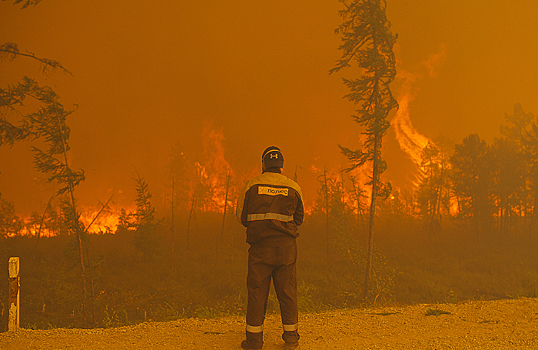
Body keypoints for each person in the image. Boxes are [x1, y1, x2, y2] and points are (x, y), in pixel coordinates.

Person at [236, 146, 305, 350]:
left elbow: (242, 216)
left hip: (260, 249)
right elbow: (299, 218)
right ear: (281, 166)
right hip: (286, 249)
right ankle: (291, 340)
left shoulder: (252, 185)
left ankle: (254, 342)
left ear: (263, 164)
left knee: (257, 293)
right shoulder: (293, 187)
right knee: (288, 292)